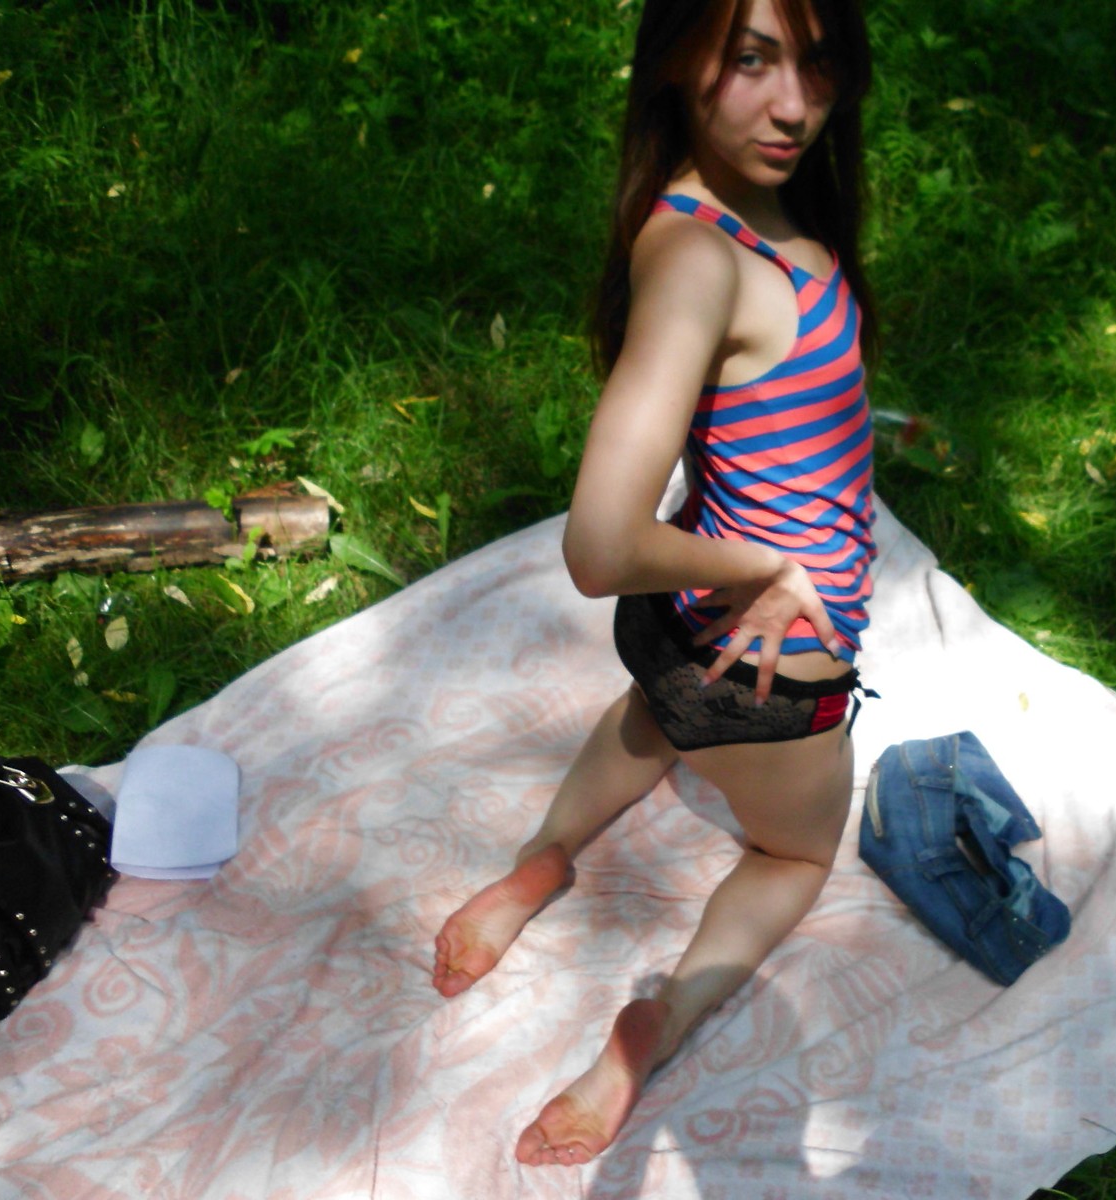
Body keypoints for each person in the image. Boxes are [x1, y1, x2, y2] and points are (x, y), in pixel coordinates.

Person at [431, 0, 877, 1168]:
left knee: (653, 715)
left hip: (674, 643)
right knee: (793, 855)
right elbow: (599, 545)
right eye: (753, 61)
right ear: (678, 59)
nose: (795, 105)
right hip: (772, 672)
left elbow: (762, 406)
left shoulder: (700, 212)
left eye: (817, 63)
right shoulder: (698, 261)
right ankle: (660, 1021)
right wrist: (769, 562)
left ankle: (538, 862)